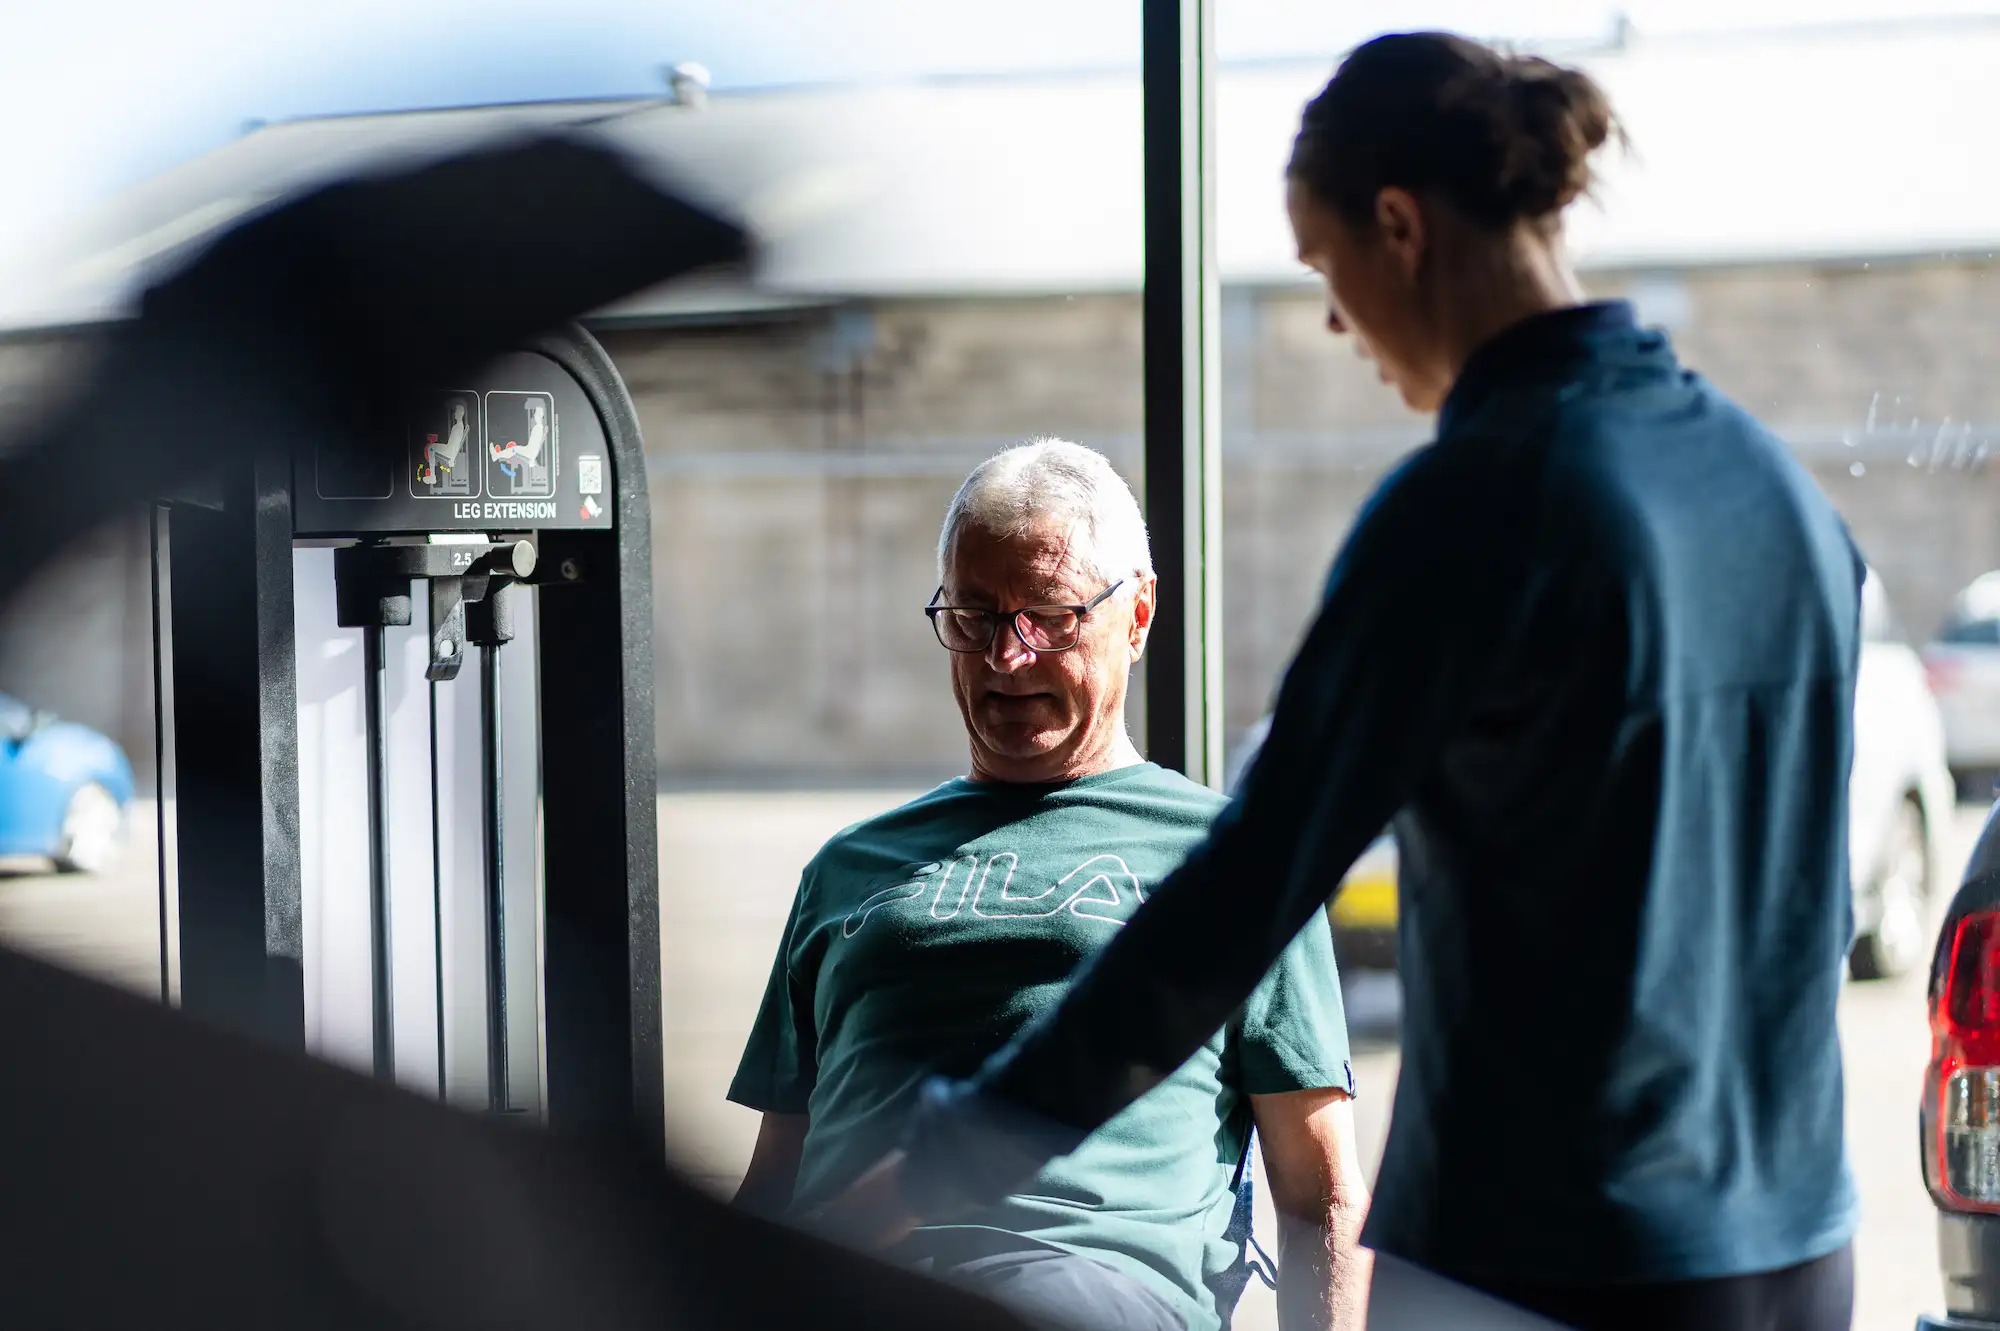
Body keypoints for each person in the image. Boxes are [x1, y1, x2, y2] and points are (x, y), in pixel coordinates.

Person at [821, 32, 1863, 1331]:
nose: (1330, 319)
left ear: (1399, 226)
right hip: (1799, 1246)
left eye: (1323, 265)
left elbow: (1240, 898)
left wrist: (949, 1153)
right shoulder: (1779, 492)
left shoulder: (1474, 505)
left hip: (1542, 1257)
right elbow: (1812, 904)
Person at [728, 438, 1371, 1331]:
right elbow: (772, 1183)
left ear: (1137, 614)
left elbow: (1322, 1200)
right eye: (974, 616)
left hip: (1081, 1287)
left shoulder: (1232, 863)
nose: (1006, 656)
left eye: (1048, 617)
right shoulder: (848, 867)